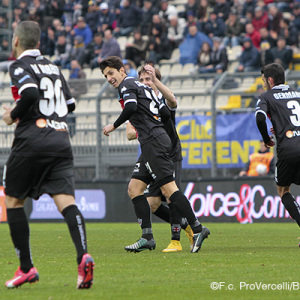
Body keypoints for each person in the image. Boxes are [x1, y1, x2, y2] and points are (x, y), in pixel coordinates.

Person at [3, 21, 94, 289]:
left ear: (16, 41)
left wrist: (13, 114)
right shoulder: (53, 67)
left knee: (13, 201)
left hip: (32, 140)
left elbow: (30, 93)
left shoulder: (19, 66)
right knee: (66, 201)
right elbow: (70, 103)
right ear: (39, 43)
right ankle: (83, 256)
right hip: (61, 141)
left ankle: (26, 268)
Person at [100, 56, 210, 253]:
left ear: (122, 70)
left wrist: (113, 125)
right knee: (134, 188)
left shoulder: (127, 85)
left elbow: (131, 107)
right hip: (154, 141)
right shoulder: (144, 88)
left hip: (153, 142)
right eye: (105, 75)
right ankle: (147, 237)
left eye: (111, 73)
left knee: (169, 190)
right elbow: (165, 113)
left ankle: (197, 228)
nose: (109, 78)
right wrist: (163, 134)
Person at [126, 65, 194, 252]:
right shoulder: (138, 105)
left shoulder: (162, 99)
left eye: (149, 79)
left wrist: (155, 80)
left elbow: (173, 101)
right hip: (150, 153)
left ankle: (176, 241)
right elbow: (129, 134)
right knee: (153, 204)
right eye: (142, 80)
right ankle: (188, 226)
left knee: (170, 195)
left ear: (156, 81)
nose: (146, 83)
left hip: (170, 153)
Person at [256, 63, 300, 245]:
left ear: (270, 80)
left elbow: (259, 117)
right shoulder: (297, 93)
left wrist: (266, 138)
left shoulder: (267, 96)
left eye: (264, 80)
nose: (264, 83)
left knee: (283, 190)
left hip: (287, 149)